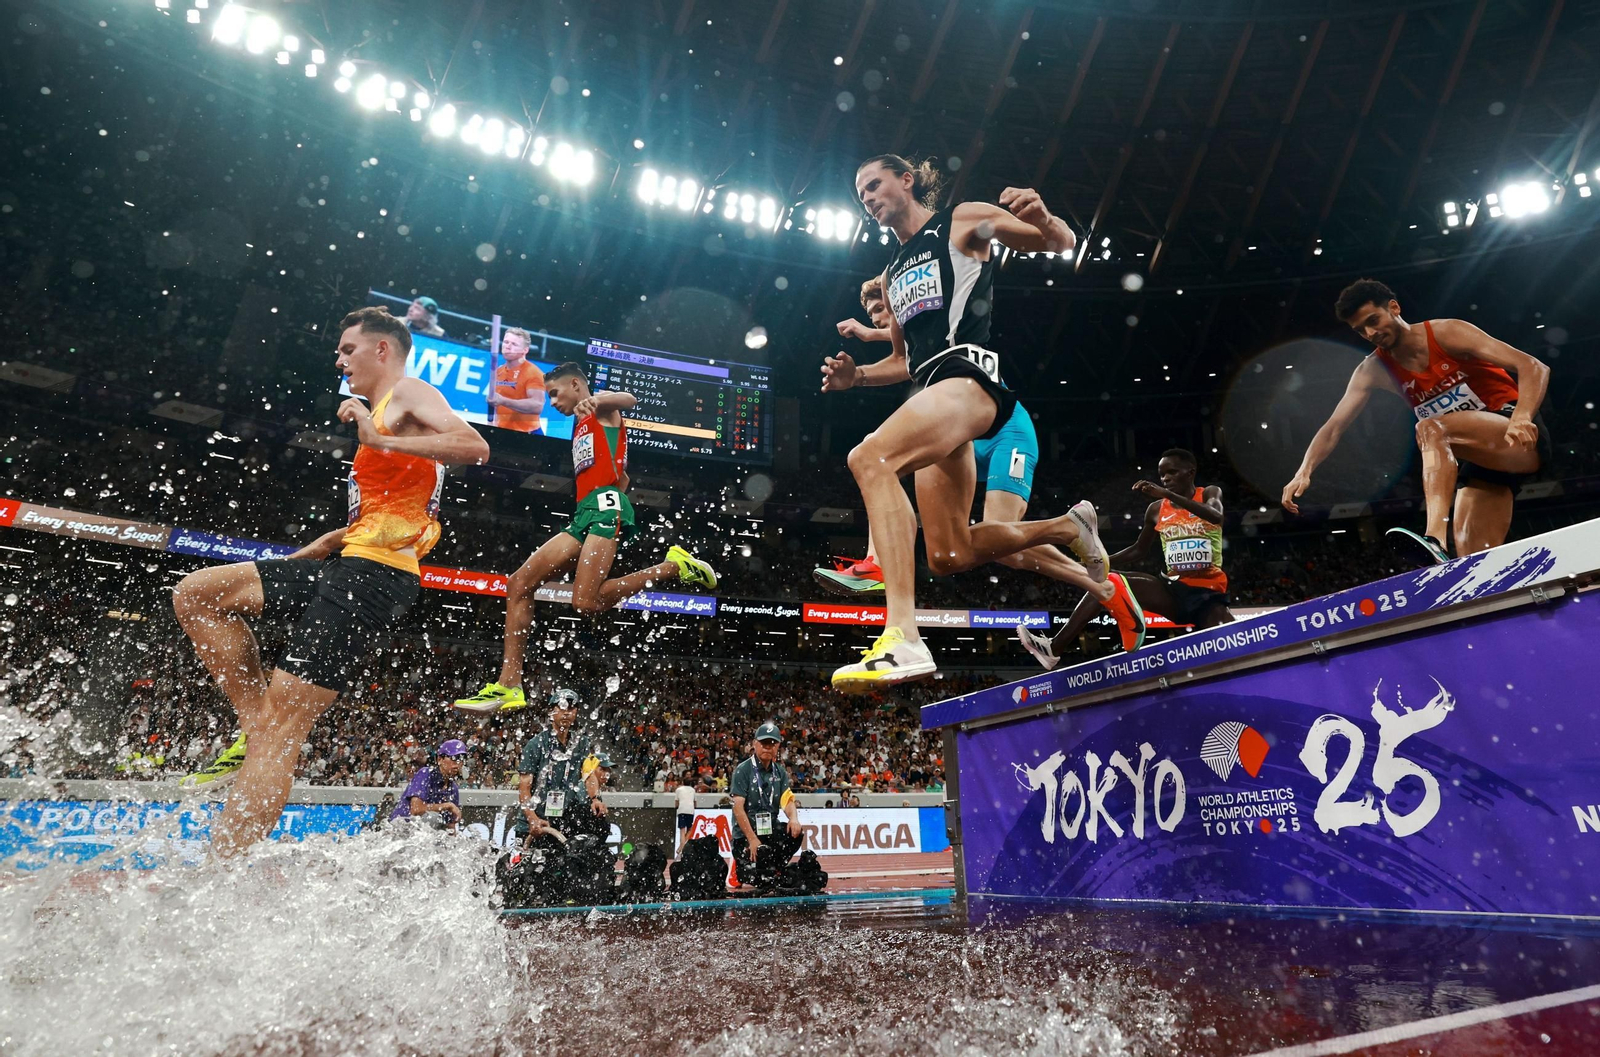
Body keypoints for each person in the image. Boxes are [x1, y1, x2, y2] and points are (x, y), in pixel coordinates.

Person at [172, 306, 490, 856]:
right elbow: (399, 506)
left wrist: (378, 438)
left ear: (382, 349)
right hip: (349, 561)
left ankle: (222, 867)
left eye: (347, 349)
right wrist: (333, 539)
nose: (338, 360)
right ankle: (253, 724)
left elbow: (474, 447)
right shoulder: (386, 413)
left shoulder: (409, 392)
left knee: (282, 733)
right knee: (197, 594)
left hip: (378, 577)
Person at [822, 154, 1105, 690]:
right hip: (934, 391)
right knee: (948, 555)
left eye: (875, 185)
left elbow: (1060, 243)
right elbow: (904, 361)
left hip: (969, 379)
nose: (868, 198)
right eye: (861, 194)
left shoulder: (962, 219)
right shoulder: (892, 273)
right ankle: (1069, 527)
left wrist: (1045, 218)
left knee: (870, 457)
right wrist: (856, 377)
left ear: (907, 180)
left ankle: (902, 635)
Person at [817, 274, 1143, 647]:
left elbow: (906, 340)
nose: (877, 317)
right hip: (964, 437)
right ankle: (1103, 585)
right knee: (950, 544)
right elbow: (901, 350)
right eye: (872, 313)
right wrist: (867, 346)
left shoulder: (931, 317)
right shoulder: (916, 339)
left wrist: (869, 336)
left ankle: (1077, 540)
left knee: (1003, 542)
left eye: (880, 308)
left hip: (1005, 431)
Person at [451, 363, 718, 712]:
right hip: (584, 514)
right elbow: (623, 477)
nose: (552, 402)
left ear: (576, 384)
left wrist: (598, 401)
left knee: (586, 603)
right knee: (518, 584)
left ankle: (672, 567)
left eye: (555, 393)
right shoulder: (581, 425)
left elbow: (630, 399)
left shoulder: (601, 407)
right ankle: (509, 685)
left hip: (604, 509)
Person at [1282, 278, 1551, 564]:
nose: (1370, 333)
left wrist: (1522, 417)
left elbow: (1533, 366)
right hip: (1481, 460)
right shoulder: (1372, 370)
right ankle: (1450, 560)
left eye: (1373, 320)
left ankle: (1433, 538)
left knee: (1431, 428)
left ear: (1394, 308)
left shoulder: (1448, 333)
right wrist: (1304, 470)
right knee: (1474, 563)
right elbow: (1334, 427)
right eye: (1360, 330)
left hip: (1514, 433)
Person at [1019, 449, 1230, 669]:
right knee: (1102, 583)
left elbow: (1215, 516)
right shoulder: (1156, 510)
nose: (1165, 479)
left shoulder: (1209, 493)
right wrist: (1098, 562)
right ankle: (1054, 648)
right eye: (1162, 475)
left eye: (1172, 472)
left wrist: (1168, 495)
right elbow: (1139, 550)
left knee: (1232, 649)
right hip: (1173, 591)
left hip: (1208, 595)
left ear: (1190, 472)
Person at [513, 689, 598, 839]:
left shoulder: (582, 743)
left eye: (571, 708)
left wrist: (595, 799)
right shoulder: (536, 744)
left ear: (576, 712)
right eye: (562, 707)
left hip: (563, 824)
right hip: (533, 825)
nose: (566, 712)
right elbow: (524, 787)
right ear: (551, 712)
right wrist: (532, 818)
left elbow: (589, 775)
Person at [729, 722, 802, 881]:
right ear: (754, 744)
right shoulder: (743, 770)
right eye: (764, 743)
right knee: (756, 879)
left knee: (796, 834)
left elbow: (787, 800)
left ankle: (775, 868)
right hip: (746, 835)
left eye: (772, 743)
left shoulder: (780, 772)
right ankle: (737, 865)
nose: (768, 747)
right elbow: (738, 808)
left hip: (769, 831)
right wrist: (752, 839)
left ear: (778, 747)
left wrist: (794, 818)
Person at [387, 739, 466, 826]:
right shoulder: (425, 774)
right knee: (433, 818)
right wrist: (447, 806)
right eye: (454, 758)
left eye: (461, 759)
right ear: (439, 759)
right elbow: (416, 810)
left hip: (422, 831)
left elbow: (450, 827)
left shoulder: (453, 789)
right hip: (400, 827)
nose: (458, 764)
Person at [486, 327, 545, 433]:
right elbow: (495, 401)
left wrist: (503, 401)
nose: (508, 346)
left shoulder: (533, 373)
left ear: (525, 350)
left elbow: (537, 406)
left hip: (527, 434)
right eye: (506, 342)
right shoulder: (499, 371)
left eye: (514, 344)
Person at [674, 778, 697, 857]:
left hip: (682, 810)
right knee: (689, 829)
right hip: (690, 810)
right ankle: (681, 847)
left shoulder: (678, 790)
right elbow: (695, 802)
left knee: (682, 830)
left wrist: (676, 807)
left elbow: (676, 802)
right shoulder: (693, 790)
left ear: (683, 782)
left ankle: (681, 847)